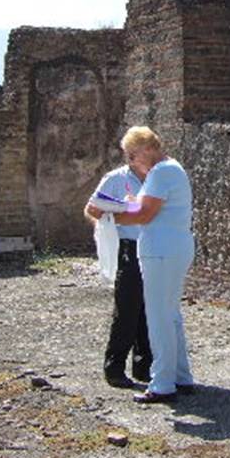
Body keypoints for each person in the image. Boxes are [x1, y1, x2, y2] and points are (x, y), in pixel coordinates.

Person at [113, 125, 195, 404]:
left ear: (148, 149)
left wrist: (117, 214)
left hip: (162, 249)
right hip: (173, 246)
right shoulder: (171, 169)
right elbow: (155, 205)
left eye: (133, 156)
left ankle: (162, 383)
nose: (132, 162)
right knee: (170, 314)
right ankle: (181, 376)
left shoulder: (161, 171)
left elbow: (146, 214)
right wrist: (133, 203)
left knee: (158, 317)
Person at [84, 158, 152, 389]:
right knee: (127, 307)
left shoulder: (156, 177)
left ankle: (144, 365)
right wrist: (107, 227)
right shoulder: (117, 178)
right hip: (128, 246)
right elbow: (92, 208)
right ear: (132, 155)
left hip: (152, 246)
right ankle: (114, 366)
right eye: (144, 152)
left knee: (148, 308)